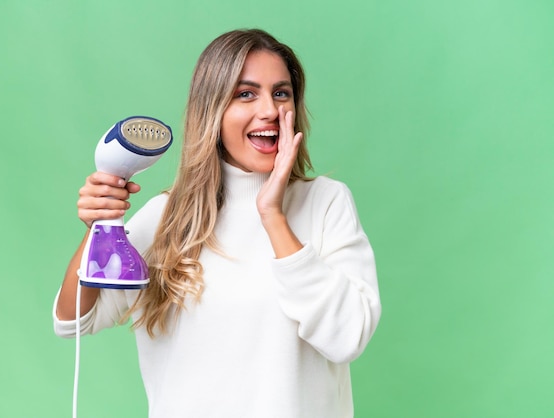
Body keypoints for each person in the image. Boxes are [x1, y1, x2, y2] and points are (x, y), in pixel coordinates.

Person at [53, 28, 381, 418]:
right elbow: (72, 321)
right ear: (213, 111)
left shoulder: (326, 203)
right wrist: (97, 229)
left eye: (281, 93)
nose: (269, 110)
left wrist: (272, 216)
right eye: (246, 94)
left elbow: (347, 337)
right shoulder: (166, 218)